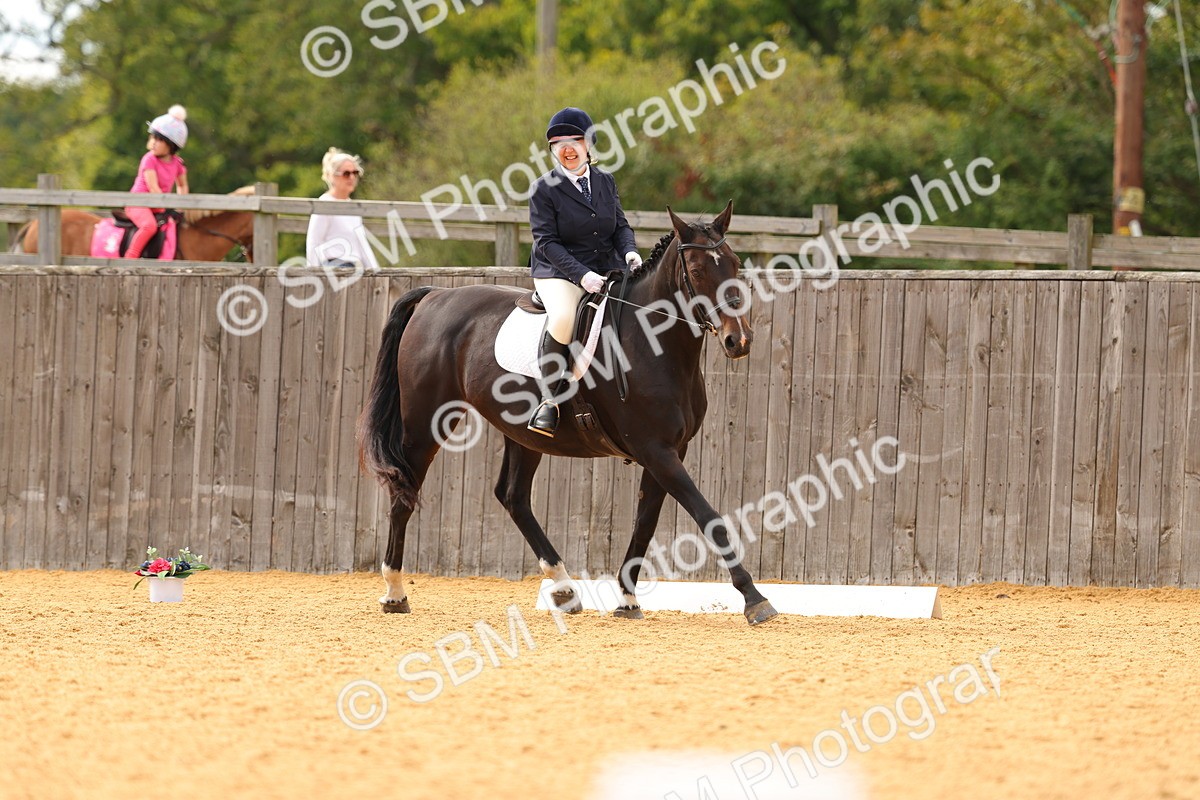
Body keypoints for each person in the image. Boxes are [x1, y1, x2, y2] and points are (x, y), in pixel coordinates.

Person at [527, 107, 642, 437]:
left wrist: (631, 252)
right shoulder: (543, 189)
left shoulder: (605, 182)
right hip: (558, 272)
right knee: (564, 317)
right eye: (558, 143)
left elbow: (619, 226)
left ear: (588, 144)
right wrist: (581, 276)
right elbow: (547, 242)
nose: (567, 148)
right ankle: (549, 401)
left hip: (608, 268)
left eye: (574, 140)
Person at [124, 105, 189, 259]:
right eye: (153, 137)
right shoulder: (149, 159)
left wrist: (180, 207)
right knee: (149, 226)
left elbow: (182, 185)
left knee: (174, 226)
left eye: (159, 139)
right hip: (139, 203)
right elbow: (153, 188)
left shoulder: (177, 164)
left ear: (171, 145)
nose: (153, 142)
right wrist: (168, 206)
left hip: (158, 205)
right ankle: (130, 257)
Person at [305, 147, 380, 270]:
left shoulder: (353, 207)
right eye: (346, 174)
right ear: (331, 176)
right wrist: (312, 274)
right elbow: (314, 241)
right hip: (335, 268)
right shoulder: (325, 204)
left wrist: (376, 271)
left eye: (355, 173)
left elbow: (361, 245)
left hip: (356, 268)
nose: (351, 177)